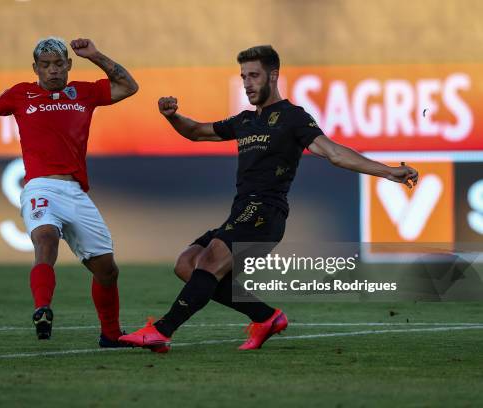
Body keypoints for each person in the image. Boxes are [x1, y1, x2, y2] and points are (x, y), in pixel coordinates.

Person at [119, 45, 418, 352]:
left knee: (208, 262)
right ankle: (266, 317)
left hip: (265, 212)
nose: (247, 83)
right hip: (241, 211)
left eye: (254, 76)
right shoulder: (245, 121)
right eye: (243, 76)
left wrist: (387, 172)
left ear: (273, 76)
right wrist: (172, 116)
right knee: (186, 264)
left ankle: (162, 331)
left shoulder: (293, 118)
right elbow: (196, 131)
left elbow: (334, 153)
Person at [0, 37, 138, 345]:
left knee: (107, 270)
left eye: (59, 64)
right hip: (41, 186)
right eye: (46, 65)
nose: (52, 71)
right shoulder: (21, 94)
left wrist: (96, 55)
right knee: (45, 240)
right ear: (35, 68)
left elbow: (129, 87)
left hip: (75, 191)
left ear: (69, 65)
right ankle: (42, 310)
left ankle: (111, 335)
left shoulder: (86, 92)